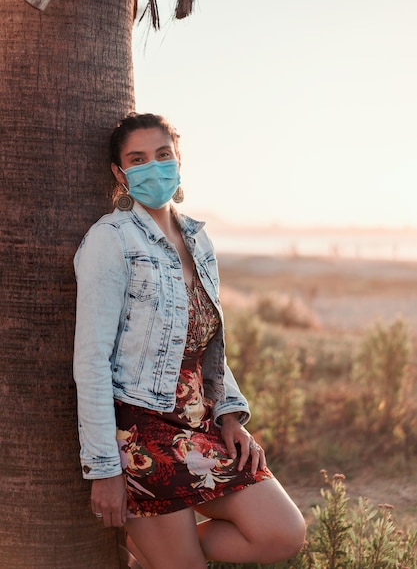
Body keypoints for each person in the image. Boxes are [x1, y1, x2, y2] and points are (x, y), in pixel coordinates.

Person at [73, 112, 306, 569]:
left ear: (178, 160)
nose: (153, 167)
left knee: (282, 532)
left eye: (163, 155)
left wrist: (230, 416)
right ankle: (163, 552)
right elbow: (91, 360)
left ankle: (151, 552)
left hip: (199, 422)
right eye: (137, 159)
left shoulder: (199, 239)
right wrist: (103, 469)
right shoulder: (110, 240)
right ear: (120, 174)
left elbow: (207, 345)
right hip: (139, 430)